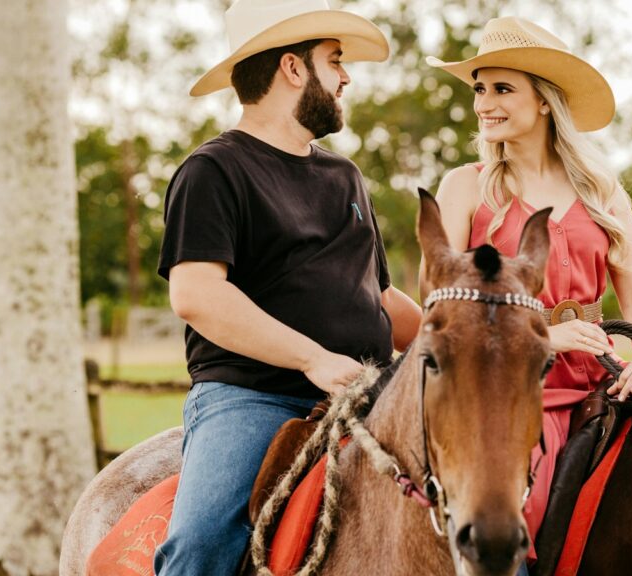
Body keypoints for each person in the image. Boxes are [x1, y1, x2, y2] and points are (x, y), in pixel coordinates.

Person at [154, 1, 422, 574]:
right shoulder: (213, 170)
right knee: (199, 546)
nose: (346, 77)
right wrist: (313, 359)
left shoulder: (344, 176)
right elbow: (196, 295)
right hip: (255, 398)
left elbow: (379, 297)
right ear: (293, 69)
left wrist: (469, 332)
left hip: (370, 393)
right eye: (335, 61)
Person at [426, 16, 632, 568]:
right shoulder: (464, 188)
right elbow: (445, 310)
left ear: (543, 103)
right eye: (480, 88)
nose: (484, 102)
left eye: (502, 88)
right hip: (506, 392)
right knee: (517, 522)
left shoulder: (603, 191)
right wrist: (546, 337)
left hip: (604, 383)